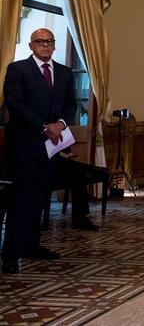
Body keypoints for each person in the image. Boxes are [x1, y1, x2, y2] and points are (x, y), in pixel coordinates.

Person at [2, 28, 76, 273]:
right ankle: (10, 254)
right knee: (20, 199)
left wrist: (60, 125)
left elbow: (70, 105)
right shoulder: (17, 70)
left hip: (51, 147)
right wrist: (45, 128)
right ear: (32, 45)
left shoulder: (65, 73)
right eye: (40, 42)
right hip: (25, 146)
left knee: (40, 197)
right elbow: (15, 104)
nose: (45, 45)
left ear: (54, 46)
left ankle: (32, 245)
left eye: (49, 42)